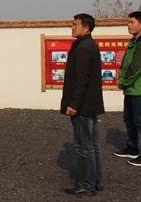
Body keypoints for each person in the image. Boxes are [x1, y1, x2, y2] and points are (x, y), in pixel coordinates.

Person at [60, 13, 104, 196]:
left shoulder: (84, 48)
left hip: (83, 106)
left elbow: (81, 79)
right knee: (93, 145)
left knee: (84, 146)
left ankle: (86, 183)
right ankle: (96, 181)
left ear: (86, 28)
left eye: (75, 24)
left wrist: (74, 104)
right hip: (89, 104)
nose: (72, 27)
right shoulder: (87, 44)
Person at [114, 11, 141, 167]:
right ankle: (132, 147)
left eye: (132, 22)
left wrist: (123, 82)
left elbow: (135, 68)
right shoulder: (134, 42)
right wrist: (122, 80)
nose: (129, 25)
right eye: (128, 22)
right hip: (131, 88)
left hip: (139, 89)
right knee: (130, 119)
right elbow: (125, 64)